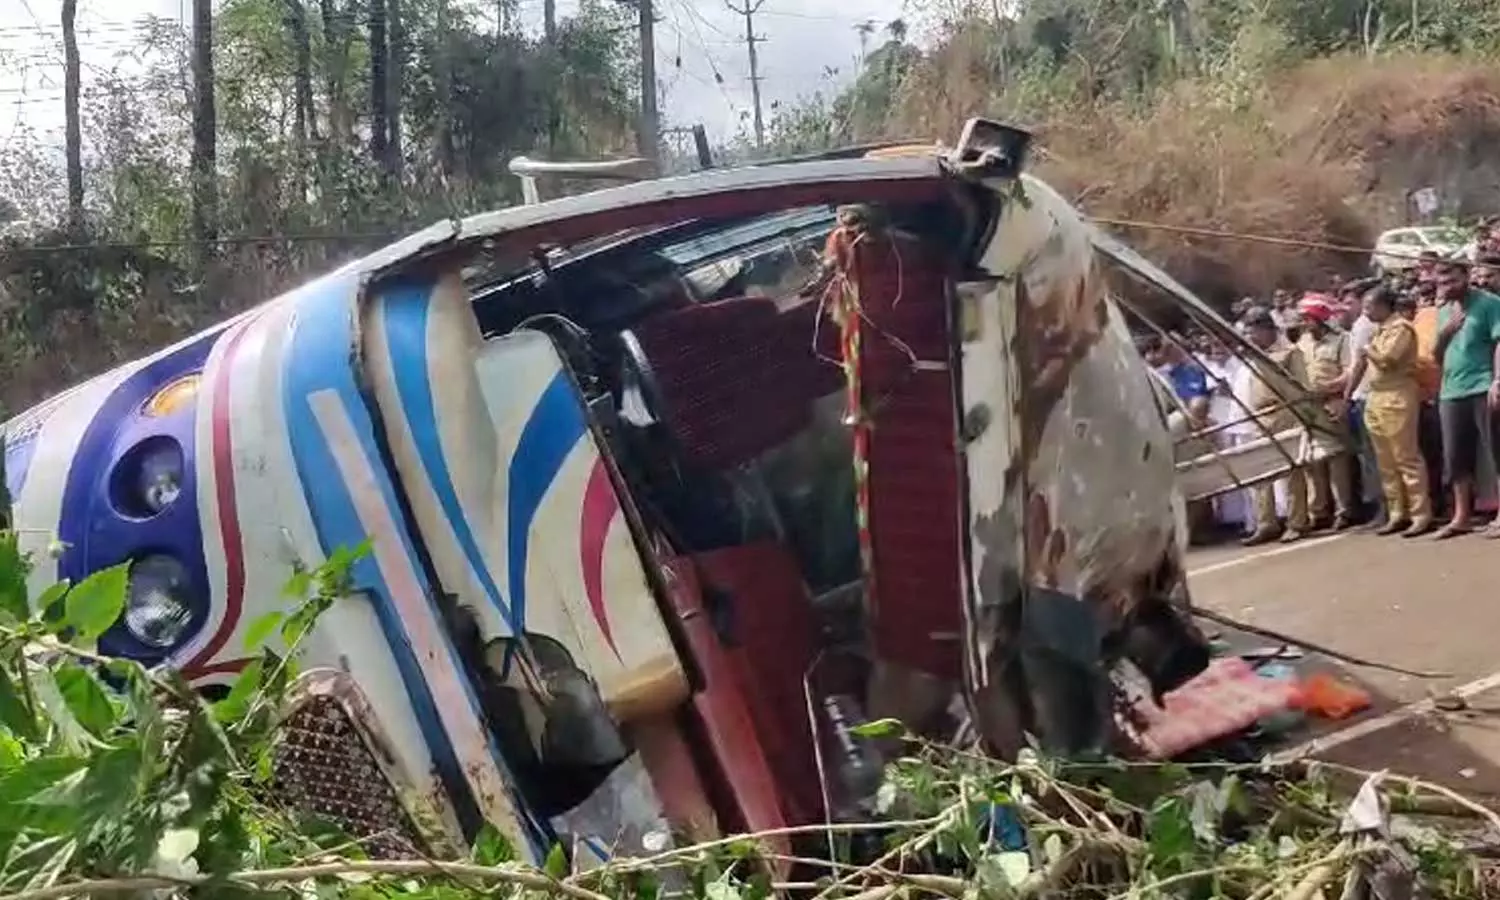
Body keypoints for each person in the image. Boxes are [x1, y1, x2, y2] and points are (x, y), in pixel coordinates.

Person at [1346, 285, 1433, 536]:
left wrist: (1367, 349)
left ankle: (1420, 514)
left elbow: (1387, 360)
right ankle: (1397, 512)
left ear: (1384, 306)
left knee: (1406, 458)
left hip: (1397, 394)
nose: (1366, 312)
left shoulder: (1401, 329)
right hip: (1377, 396)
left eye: (1369, 306)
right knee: (1386, 461)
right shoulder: (1379, 331)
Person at [1431, 259, 1500, 538]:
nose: (1447, 287)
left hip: (1483, 385)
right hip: (1451, 390)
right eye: (1442, 282)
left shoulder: (1489, 303)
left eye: (1453, 281)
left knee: (1496, 451)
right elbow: (1436, 356)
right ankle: (1461, 516)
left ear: (1467, 276)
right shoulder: (1443, 312)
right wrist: (1446, 333)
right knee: (1455, 456)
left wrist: (1497, 380)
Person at [1240, 307, 1311, 545]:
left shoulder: (1290, 353)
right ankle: (1266, 523)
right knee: (1262, 473)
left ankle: (1296, 522)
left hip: (1285, 413)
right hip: (1260, 416)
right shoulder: (1253, 354)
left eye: (1254, 332)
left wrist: (1301, 417)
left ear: (1266, 329)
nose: (1250, 337)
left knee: (1291, 472)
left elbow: (1301, 387)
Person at [1295, 294, 1355, 529]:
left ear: (1319, 318)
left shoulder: (1341, 340)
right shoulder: (1302, 343)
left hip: (1332, 403)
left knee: (1336, 459)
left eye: (1307, 319)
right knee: (1311, 461)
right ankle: (1318, 512)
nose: (1303, 323)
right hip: (1307, 406)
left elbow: (1349, 371)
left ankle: (1344, 510)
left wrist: (1334, 389)